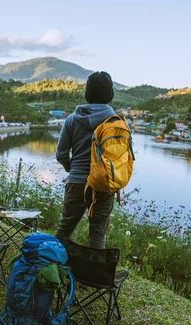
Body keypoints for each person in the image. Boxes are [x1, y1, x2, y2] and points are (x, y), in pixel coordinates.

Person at [54, 71, 116, 249]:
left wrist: (72, 169)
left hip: (77, 181)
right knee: (97, 234)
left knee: (64, 229)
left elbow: (61, 154)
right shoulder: (116, 122)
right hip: (104, 184)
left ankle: (49, 266)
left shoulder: (72, 120)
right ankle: (94, 275)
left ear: (87, 94)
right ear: (110, 95)